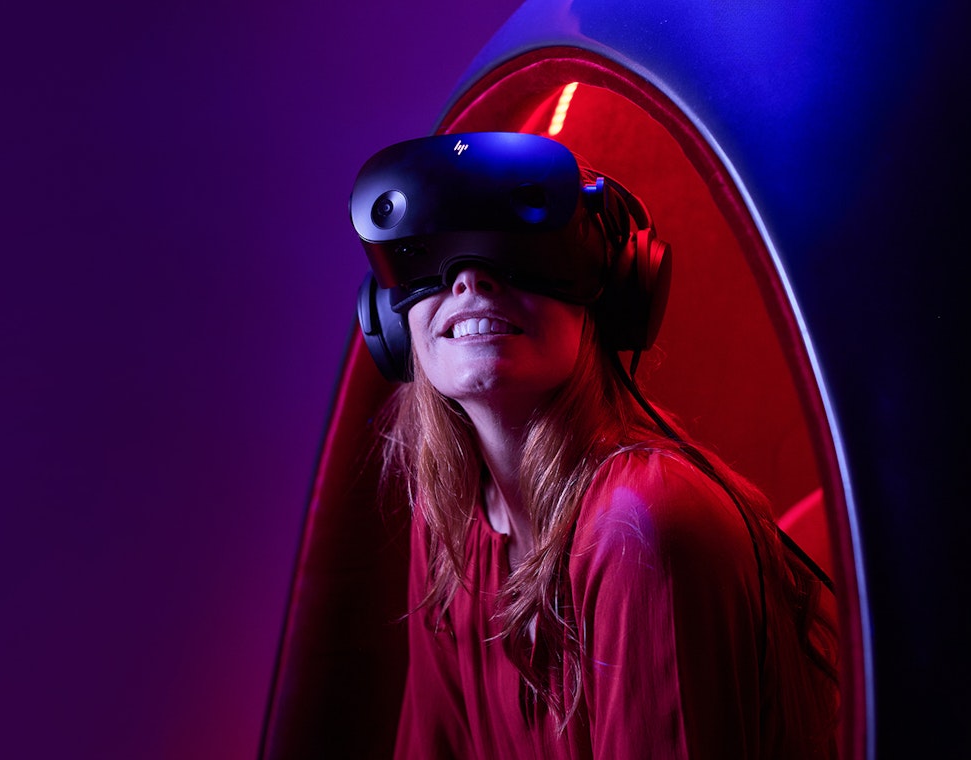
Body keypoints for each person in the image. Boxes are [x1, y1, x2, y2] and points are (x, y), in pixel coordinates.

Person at [351, 132, 838, 759]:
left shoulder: (644, 523)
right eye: (433, 254)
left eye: (518, 246)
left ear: (608, 291)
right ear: (391, 320)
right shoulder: (446, 516)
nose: (471, 280)